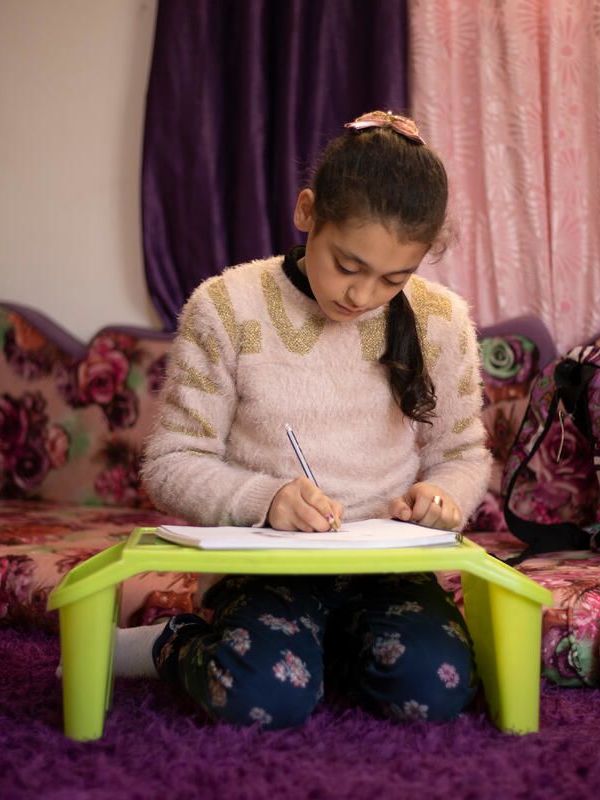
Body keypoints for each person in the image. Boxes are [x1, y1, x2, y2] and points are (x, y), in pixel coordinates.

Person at [130, 110, 491, 729]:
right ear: (306, 212)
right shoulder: (226, 307)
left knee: (438, 688)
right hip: (267, 566)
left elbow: (463, 455)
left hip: (388, 569)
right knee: (262, 697)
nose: (361, 296)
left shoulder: (440, 322)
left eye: (393, 278)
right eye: (348, 266)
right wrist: (265, 497)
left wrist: (442, 497)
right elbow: (169, 464)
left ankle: (324, 654)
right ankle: (176, 640)